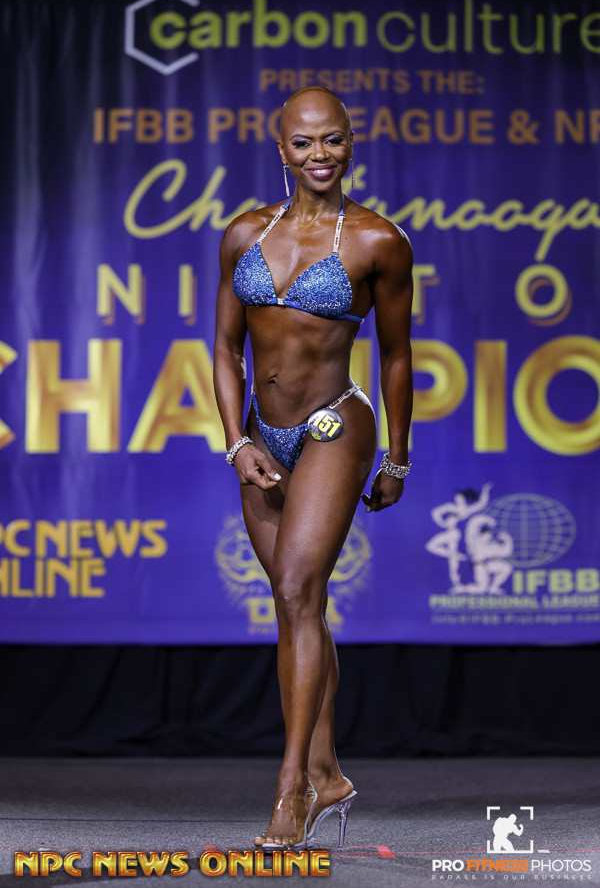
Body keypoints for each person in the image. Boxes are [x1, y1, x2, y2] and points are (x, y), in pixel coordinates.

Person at [213, 86, 413, 850]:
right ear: (282, 150)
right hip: (262, 436)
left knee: (298, 589)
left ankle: (291, 788)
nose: (319, 154)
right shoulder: (244, 233)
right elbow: (224, 347)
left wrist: (398, 457)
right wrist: (236, 443)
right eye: (304, 142)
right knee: (296, 605)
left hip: (337, 424)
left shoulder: (377, 240)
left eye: (332, 139)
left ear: (350, 144)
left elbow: (396, 356)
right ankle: (330, 773)